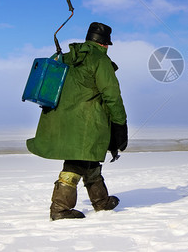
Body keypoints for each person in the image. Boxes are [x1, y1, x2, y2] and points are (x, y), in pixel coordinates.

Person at [26, 22, 128, 221]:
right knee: (74, 164)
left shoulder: (66, 58)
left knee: (88, 159)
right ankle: (60, 209)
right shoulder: (100, 60)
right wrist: (120, 124)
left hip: (60, 119)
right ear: (105, 44)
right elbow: (112, 96)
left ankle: (101, 201)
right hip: (87, 121)